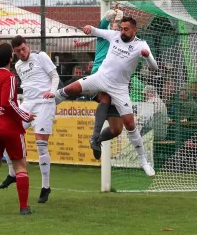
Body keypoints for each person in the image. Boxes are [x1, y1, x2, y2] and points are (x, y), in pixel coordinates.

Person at [53, 17, 158, 177]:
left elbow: (154, 67)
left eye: (126, 29)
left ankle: (144, 161)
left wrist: (147, 56)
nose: (122, 31)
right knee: (73, 87)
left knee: (128, 124)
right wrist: (88, 28)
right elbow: (97, 31)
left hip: (120, 87)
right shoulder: (114, 35)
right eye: (121, 28)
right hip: (101, 77)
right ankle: (53, 100)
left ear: (134, 30)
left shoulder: (141, 45)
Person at [0, 35, 60, 204]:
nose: (22, 53)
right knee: (6, 133)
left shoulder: (41, 57)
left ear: (27, 46)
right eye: (18, 51)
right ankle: (12, 174)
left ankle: (45, 187)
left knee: (41, 144)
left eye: (23, 49)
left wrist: (53, 92)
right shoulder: (18, 65)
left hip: (45, 103)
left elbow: (55, 76)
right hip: (27, 104)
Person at [0, 43, 35, 215]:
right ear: (11, 58)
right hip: (9, 127)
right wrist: (25, 116)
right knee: (20, 166)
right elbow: (7, 102)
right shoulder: (9, 77)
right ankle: (24, 207)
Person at [89, 8, 124, 159]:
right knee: (106, 98)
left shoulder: (125, 40)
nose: (117, 25)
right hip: (100, 73)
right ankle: (95, 136)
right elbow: (99, 28)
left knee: (116, 129)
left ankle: (97, 140)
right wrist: (106, 18)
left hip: (117, 81)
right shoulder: (104, 35)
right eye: (115, 22)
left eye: (120, 23)